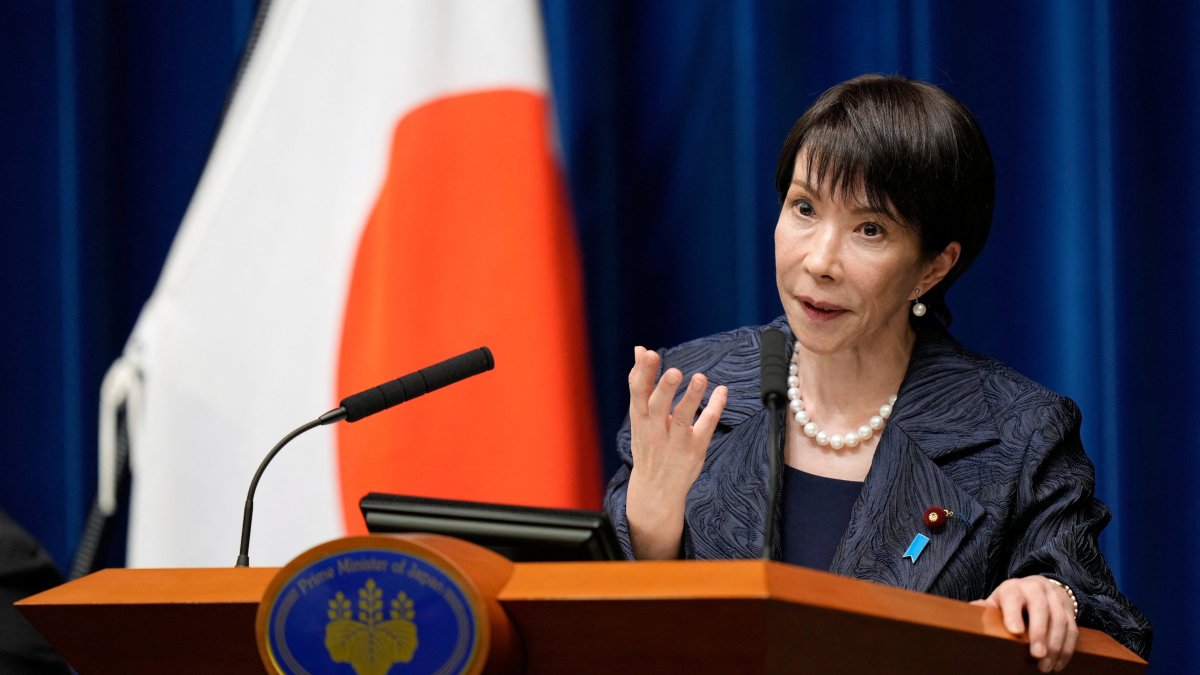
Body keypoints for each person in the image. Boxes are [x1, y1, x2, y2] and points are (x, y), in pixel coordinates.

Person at [603, 74, 1151, 671]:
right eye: (804, 208)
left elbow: (1109, 623)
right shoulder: (693, 390)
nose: (819, 261)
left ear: (933, 266)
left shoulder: (1018, 433)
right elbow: (591, 635)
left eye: (871, 229)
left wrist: (1054, 598)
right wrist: (651, 535)